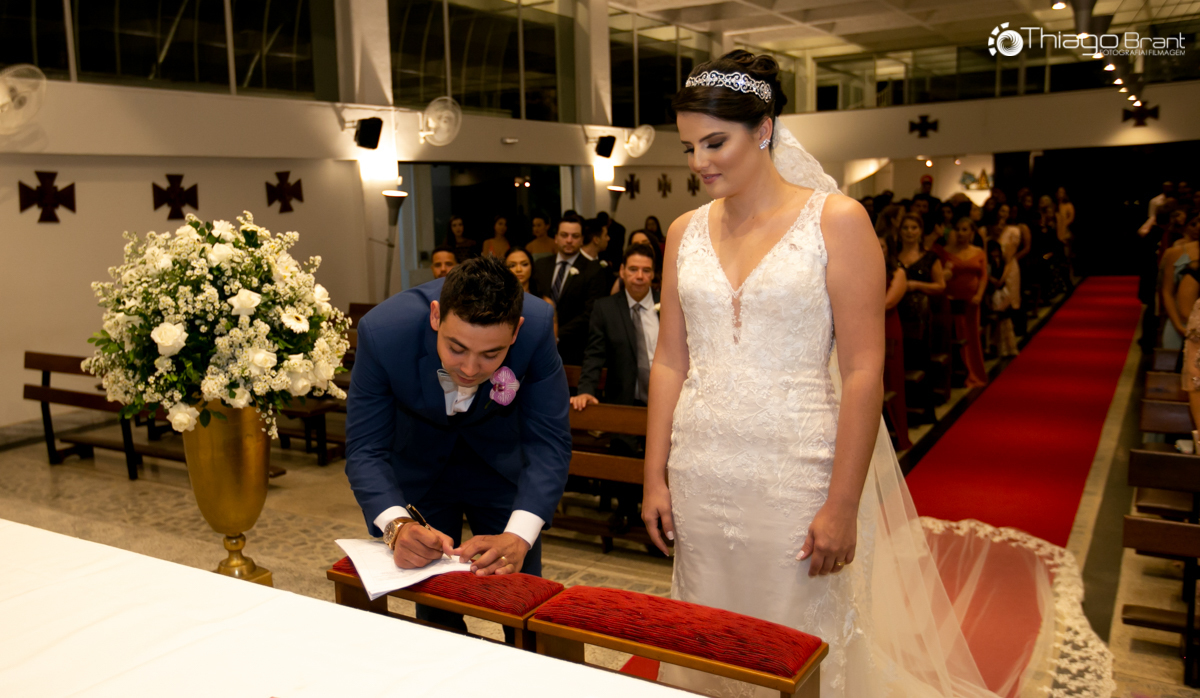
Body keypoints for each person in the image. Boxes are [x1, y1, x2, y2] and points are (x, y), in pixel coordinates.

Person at [642, 49, 1109, 698]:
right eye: (689, 147)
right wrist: (654, 475)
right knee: (707, 629)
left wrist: (842, 503)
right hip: (702, 470)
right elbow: (671, 359)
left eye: (715, 143)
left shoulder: (835, 221)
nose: (699, 162)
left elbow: (864, 369)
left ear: (765, 129)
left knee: (796, 638)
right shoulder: (683, 232)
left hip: (795, 470)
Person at [345, 256, 571, 637]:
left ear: (516, 331)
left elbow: (549, 441)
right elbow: (365, 447)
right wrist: (397, 525)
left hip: (502, 467)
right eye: (457, 348)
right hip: (421, 465)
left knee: (524, 607)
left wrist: (520, 534)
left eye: (491, 355)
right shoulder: (383, 333)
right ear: (436, 316)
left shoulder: (536, 325)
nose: (469, 369)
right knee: (435, 614)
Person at [571, 242, 660, 412]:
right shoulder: (605, 309)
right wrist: (585, 391)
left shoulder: (669, 307)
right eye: (633, 269)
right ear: (622, 271)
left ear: (653, 274)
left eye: (646, 270)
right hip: (623, 403)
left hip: (664, 403)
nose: (639, 276)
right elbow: (594, 355)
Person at [531, 214, 608, 366]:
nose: (569, 240)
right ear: (556, 238)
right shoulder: (541, 265)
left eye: (575, 236)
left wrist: (556, 334)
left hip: (575, 349)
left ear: (582, 239)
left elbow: (590, 313)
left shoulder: (594, 270)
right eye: (564, 235)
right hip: (538, 348)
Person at [897, 214, 945, 382]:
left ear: (920, 231)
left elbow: (940, 285)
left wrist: (916, 285)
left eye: (914, 228)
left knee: (919, 356)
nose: (909, 231)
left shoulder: (930, 257)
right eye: (905, 228)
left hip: (921, 314)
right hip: (895, 311)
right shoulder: (892, 257)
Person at [943, 217, 988, 388]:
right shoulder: (946, 251)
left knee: (972, 336)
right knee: (956, 334)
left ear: (971, 232)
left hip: (972, 301)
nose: (961, 233)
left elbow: (983, 276)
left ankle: (974, 371)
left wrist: (979, 295)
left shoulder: (978, 251)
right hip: (952, 300)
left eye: (965, 230)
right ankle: (958, 372)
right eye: (958, 229)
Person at [880, 235, 911, 451]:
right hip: (865, 326)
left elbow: (888, 302)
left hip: (887, 327)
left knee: (892, 380)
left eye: (881, 245)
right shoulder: (862, 268)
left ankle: (899, 435)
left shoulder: (897, 272)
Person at [1161, 213, 1200, 349]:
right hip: (1179, 321)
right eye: (1195, 223)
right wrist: (1178, 326)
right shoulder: (1175, 252)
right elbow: (1167, 292)